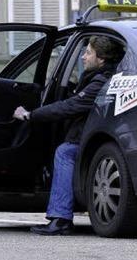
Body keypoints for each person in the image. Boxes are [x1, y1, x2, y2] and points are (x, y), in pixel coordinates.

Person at [14, 36, 124, 236]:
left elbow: (72, 106)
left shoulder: (101, 81)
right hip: (101, 137)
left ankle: (61, 218)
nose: (83, 57)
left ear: (101, 59)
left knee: (65, 152)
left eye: (88, 52)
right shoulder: (105, 76)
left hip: (91, 140)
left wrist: (31, 115)